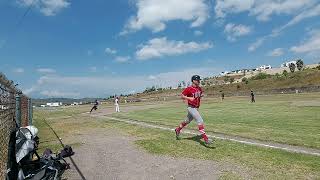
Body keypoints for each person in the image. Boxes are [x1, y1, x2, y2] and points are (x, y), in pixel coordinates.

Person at [175, 75, 213, 145]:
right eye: (198, 80)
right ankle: (206, 139)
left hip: (196, 108)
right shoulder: (189, 89)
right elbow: (182, 96)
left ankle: (178, 129)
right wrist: (189, 98)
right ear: (193, 81)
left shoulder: (199, 89)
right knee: (200, 120)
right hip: (191, 107)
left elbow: (198, 96)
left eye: (199, 80)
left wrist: (200, 96)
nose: (199, 81)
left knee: (187, 121)